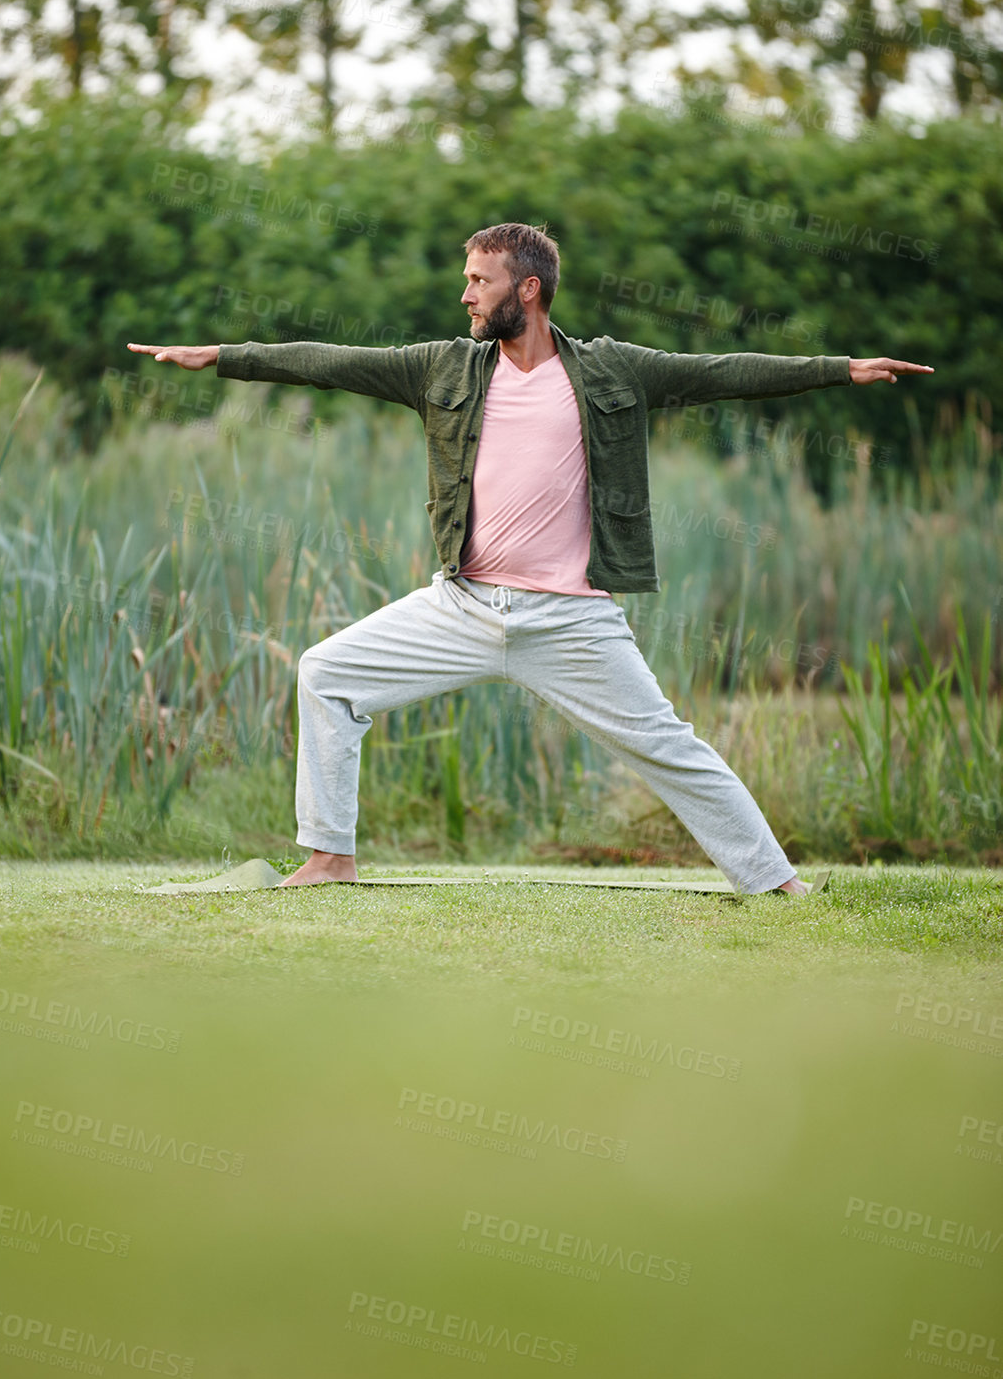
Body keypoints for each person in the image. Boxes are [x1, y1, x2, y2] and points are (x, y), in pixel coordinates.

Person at [129, 221, 933, 894]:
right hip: (463, 607)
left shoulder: (613, 368)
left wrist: (840, 369)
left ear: (529, 290)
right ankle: (330, 855)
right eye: (468, 280)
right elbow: (327, 361)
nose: (467, 294)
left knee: (668, 744)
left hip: (572, 619)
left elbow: (719, 373)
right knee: (326, 673)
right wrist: (226, 356)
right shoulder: (443, 367)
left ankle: (775, 883)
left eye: (480, 281)